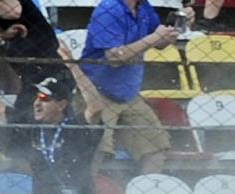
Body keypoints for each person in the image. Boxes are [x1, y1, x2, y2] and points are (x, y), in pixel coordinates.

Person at [75, 0, 174, 175]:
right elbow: (114, 58)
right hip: (97, 90)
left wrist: (173, 30)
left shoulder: (143, 6)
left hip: (129, 92)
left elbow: (160, 43)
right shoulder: (109, 9)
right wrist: (154, 38)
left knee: (156, 148)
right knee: (96, 150)